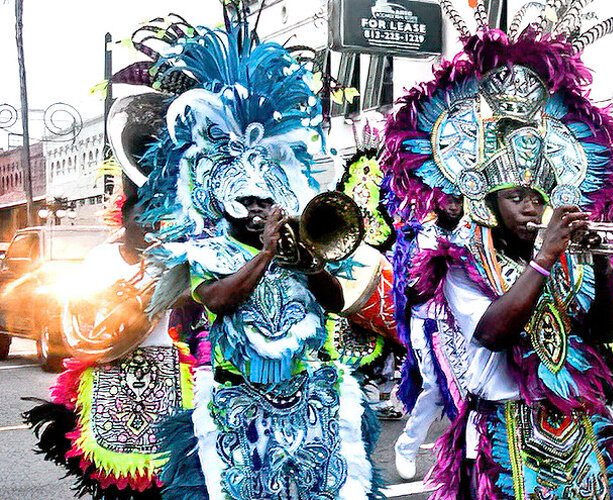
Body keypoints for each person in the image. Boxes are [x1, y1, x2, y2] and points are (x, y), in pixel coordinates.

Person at [380, 5, 613, 497]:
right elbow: (494, 332)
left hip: (580, 425)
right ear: (489, 203)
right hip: (505, 432)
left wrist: (600, 261)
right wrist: (544, 260)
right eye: (517, 198)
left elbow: (602, 332)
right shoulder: (459, 263)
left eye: (538, 197)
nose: (531, 208)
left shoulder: (565, 256)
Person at [141, 8, 383, 498]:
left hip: (312, 397)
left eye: (265, 201)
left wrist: (309, 260)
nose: (258, 211)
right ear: (223, 205)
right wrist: (267, 253)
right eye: (247, 203)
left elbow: (335, 302)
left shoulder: (301, 245)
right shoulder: (207, 249)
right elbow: (220, 300)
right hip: (239, 401)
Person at [23, 177, 196, 499]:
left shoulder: (171, 258)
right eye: (141, 218)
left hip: (164, 365)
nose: (150, 225)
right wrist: (114, 299)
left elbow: (196, 298)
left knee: (167, 462)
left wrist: (171, 289)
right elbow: (81, 311)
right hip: (111, 365)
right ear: (124, 220)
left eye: (155, 218)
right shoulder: (101, 258)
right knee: (111, 472)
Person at [392, 195, 465, 480]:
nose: (453, 206)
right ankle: (407, 447)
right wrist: (433, 268)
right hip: (428, 322)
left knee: (471, 392)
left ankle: (467, 457)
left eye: (458, 200)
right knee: (435, 387)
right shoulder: (420, 235)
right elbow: (408, 289)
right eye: (447, 199)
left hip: (465, 322)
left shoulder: (474, 231)